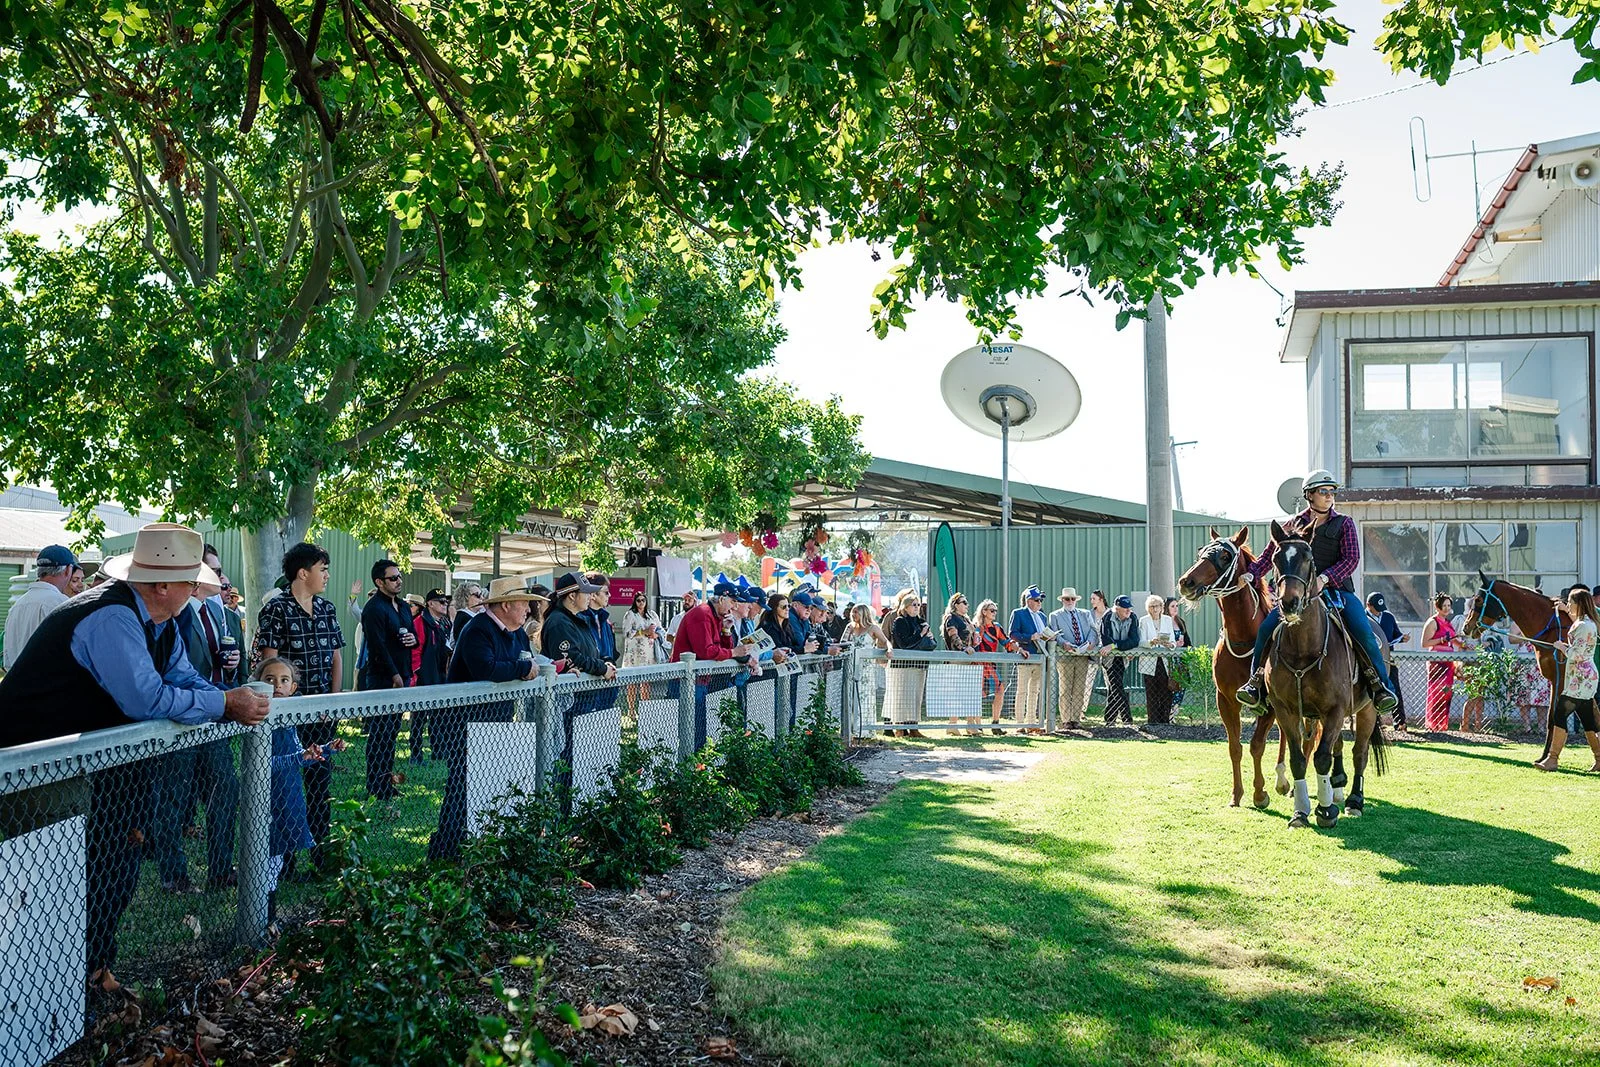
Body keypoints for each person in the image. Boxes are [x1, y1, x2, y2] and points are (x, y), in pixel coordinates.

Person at [0, 522, 269, 993]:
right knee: (57, 883)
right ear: (163, 585)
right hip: (38, 768)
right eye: (191, 582)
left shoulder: (160, 622)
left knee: (114, 870)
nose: (197, 590)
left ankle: (94, 972)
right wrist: (226, 706)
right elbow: (144, 698)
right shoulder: (112, 617)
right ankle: (51, 992)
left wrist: (228, 698)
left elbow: (183, 677)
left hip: (94, 769)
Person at [1235, 471, 1399, 715]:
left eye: (1332, 491)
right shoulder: (1291, 525)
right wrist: (1251, 573)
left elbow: (1351, 559)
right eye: (1324, 491)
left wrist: (1325, 578)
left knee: (1364, 632)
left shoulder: (1344, 523)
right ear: (1309, 495)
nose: (1329, 496)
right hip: (1297, 595)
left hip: (1338, 592)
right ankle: (1255, 684)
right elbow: (1270, 555)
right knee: (1265, 629)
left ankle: (1381, 688)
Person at [430, 576, 547, 860]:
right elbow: (486, 668)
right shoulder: (478, 629)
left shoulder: (517, 631)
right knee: (461, 786)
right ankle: (446, 851)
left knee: (491, 784)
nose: (528, 610)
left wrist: (532, 666)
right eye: (523, 603)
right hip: (465, 725)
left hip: (499, 721)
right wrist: (521, 668)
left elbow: (528, 662)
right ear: (505, 604)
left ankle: (484, 847)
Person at [152, 548, 245, 894]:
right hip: (178, 722)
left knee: (225, 791)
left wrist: (233, 670)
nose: (220, 577)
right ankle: (173, 875)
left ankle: (221, 869)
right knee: (173, 798)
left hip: (216, 720)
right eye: (212, 570)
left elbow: (234, 666)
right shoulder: (171, 615)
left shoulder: (225, 614)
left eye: (220, 570)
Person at [254, 541, 345, 861]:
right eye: (322, 569)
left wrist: (333, 701)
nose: (327, 575)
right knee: (286, 788)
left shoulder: (327, 609)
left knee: (321, 787)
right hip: (287, 717)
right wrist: (279, 704)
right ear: (303, 573)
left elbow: (336, 657)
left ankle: (322, 854)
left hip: (322, 716)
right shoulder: (276, 609)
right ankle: (285, 860)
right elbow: (269, 662)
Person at [253, 657, 337, 924]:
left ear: (293, 687)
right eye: (269, 680)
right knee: (264, 862)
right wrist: (300, 757)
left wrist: (326, 748)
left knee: (275, 863)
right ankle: (260, 920)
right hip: (267, 800)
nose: (277, 686)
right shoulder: (260, 722)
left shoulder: (288, 719)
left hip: (288, 797)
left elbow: (296, 756)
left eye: (284, 680)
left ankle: (270, 919)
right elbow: (262, 764)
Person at [360, 559, 415, 804]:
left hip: (402, 673)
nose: (398, 581)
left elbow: (410, 633)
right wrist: (394, 675)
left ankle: (387, 783)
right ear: (379, 582)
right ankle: (375, 784)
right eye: (393, 578)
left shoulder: (403, 606)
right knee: (379, 733)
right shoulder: (373, 609)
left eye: (399, 576)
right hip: (382, 677)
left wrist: (412, 641)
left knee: (392, 732)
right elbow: (377, 646)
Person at [1537, 586, 1600, 772]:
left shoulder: (1584, 625)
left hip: (1580, 679)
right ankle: (1599, 759)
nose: (1569, 605)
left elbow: (1577, 655)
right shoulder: (1586, 623)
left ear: (1579, 604)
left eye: (1571, 602)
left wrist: (1561, 646)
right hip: (1583, 677)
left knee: (1559, 714)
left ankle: (1552, 759)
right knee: (1588, 720)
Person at [668, 580, 738, 747]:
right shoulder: (703, 614)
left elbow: (722, 648)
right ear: (722, 599)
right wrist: (735, 653)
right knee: (690, 731)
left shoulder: (715, 616)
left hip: (699, 681)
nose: (734, 607)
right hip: (686, 682)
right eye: (733, 601)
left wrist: (727, 630)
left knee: (698, 730)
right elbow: (706, 651)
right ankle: (690, 768)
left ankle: (697, 766)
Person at [2, 544, 78, 670]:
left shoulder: (17, 606)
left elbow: (7, 659)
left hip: (16, 685)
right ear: (67, 570)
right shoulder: (62, 604)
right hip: (48, 686)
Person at [1049, 587, 1097, 728]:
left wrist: (1090, 643)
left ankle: (1076, 719)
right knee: (1065, 688)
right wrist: (1064, 643)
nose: (1070, 601)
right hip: (1066, 656)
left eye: (1072, 599)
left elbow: (1093, 631)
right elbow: (1054, 634)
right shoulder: (1055, 615)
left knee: (1079, 688)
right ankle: (1066, 720)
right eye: (1067, 599)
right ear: (1062, 600)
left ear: (1076, 600)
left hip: (1082, 655)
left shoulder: (1085, 614)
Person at [887, 592, 933, 737]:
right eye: (914, 605)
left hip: (919, 665)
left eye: (918, 605)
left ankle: (914, 727)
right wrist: (921, 634)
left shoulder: (920, 622)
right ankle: (899, 728)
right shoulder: (900, 621)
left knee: (916, 697)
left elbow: (929, 643)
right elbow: (904, 643)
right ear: (905, 607)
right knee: (902, 696)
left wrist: (928, 635)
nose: (917, 608)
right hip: (902, 665)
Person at [1008, 586, 1052, 734]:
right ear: (1028, 601)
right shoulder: (1019, 613)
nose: (1040, 603)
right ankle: (1019, 724)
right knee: (1022, 691)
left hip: (1040, 657)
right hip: (1025, 656)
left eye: (1040, 600)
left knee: (1034, 691)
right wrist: (1029, 637)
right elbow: (1013, 634)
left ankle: (1032, 723)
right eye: (1037, 600)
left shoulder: (1042, 616)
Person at [973, 599, 1020, 734]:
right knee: (977, 694)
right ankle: (977, 724)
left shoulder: (997, 627)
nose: (994, 613)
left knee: (1000, 689)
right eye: (992, 610)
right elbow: (973, 644)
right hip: (976, 665)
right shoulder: (975, 627)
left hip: (990, 665)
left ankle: (995, 723)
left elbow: (1006, 641)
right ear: (984, 612)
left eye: (995, 611)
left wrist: (1015, 647)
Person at [1366, 592, 1408, 730]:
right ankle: (1375, 722)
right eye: (1376, 609)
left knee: (1394, 688)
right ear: (1368, 605)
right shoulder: (1363, 617)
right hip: (1370, 661)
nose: (1379, 613)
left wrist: (1402, 638)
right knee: (1372, 690)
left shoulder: (1388, 617)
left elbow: (1396, 634)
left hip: (1389, 659)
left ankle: (1400, 722)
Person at [1099, 595, 1141, 725]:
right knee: (1117, 687)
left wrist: (1115, 645)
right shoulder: (1107, 617)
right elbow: (1106, 640)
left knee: (1115, 688)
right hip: (1109, 658)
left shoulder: (1133, 617)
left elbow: (1134, 640)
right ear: (1116, 608)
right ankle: (1127, 720)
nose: (1128, 610)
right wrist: (1117, 645)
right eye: (1124, 608)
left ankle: (1109, 719)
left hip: (1122, 658)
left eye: (1129, 607)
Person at [1421, 593, 1459, 732]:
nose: (1447, 608)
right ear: (1437, 607)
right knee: (1436, 691)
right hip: (1437, 662)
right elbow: (1425, 643)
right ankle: (1432, 724)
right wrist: (1441, 640)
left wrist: (1464, 645)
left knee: (1446, 692)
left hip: (1449, 662)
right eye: (1444, 606)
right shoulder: (1433, 622)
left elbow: (1454, 639)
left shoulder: (1448, 622)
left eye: (1449, 606)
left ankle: (1443, 724)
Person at [1139, 594, 1178, 724]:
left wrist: (1170, 645)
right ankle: (1152, 721)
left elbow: (1173, 641)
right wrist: (1151, 642)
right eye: (1151, 606)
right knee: (1151, 692)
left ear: (1162, 607)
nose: (1155, 609)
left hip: (1164, 661)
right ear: (1148, 608)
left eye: (1157, 606)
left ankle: (1165, 721)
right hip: (1149, 662)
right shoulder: (1144, 621)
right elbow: (1141, 642)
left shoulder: (1167, 620)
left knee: (1166, 692)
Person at [450, 581, 487, 648]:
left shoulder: (468, 616)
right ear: (465, 597)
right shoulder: (464, 618)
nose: (482, 598)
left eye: (482, 594)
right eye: (477, 595)